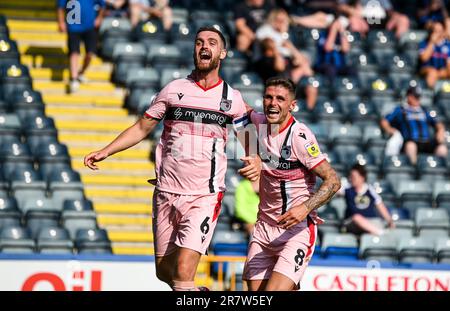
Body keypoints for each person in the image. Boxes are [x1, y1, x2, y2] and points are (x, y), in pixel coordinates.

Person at [84, 27, 260, 291]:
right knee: (164, 272)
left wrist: (256, 158)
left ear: (222, 53)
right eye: (199, 42)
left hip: (204, 195)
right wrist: (106, 150)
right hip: (165, 192)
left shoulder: (230, 98)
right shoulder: (173, 90)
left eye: (212, 43)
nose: (204, 46)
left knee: (182, 272)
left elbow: (248, 136)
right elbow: (142, 127)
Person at [243, 77, 341, 291]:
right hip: (263, 229)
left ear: (292, 105)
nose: (273, 103)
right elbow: (235, 108)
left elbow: (333, 181)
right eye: (268, 97)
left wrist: (305, 208)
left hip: (295, 230)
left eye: (280, 98)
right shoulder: (257, 123)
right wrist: (251, 153)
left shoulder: (300, 136)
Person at [380, 85, 448, 165]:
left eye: (418, 97)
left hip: (426, 142)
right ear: (409, 96)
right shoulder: (401, 110)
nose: (417, 99)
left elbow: (438, 123)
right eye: (415, 96)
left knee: (442, 149)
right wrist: (391, 130)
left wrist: (440, 131)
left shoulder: (424, 110)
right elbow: (384, 121)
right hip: (411, 141)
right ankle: (414, 171)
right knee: (411, 147)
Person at [57, 0, 105, 93]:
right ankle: (74, 79)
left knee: (90, 54)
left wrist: (99, 18)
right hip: (73, 25)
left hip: (89, 26)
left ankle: (81, 73)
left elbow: (102, 5)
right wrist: (61, 22)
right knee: (74, 52)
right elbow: (60, 7)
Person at [340, 164, 394, 236]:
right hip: (352, 222)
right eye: (351, 176)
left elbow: (380, 205)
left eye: (354, 177)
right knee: (357, 218)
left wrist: (389, 221)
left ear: (362, 177)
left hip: (370, 220)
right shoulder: (347, 189)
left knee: (378, 224)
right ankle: (381, 234)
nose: (351, 179)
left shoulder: (370, 190)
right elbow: (335, 190)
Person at [338, 0, 410, 38]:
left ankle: (398, 50)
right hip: (362, 19)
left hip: (382, 21)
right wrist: (351, 11)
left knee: (403, 19)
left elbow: (389, 10)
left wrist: (395, 15)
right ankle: (360, 52)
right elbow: (340, 6)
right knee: (354, 23)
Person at [419, 21, 450, 88]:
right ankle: (430, 93)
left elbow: (448, 64)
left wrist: (441, 73)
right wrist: (432, 43)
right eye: (435, 31)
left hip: (442, 71)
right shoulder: (425, 43)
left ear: (443, 31)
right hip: (427, 69)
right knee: (433, 72)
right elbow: (424, 59)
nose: (437, 33)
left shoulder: (448, 45)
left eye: (439, 31)